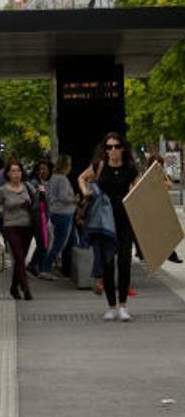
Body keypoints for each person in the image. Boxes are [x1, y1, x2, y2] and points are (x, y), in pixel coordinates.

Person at [78, 132, 139, 321]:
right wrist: (86, 191)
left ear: (123, 148)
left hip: (124, 218)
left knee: (124, 262)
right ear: (105, 149)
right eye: (109, 146)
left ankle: (123, 306)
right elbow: (81, 178)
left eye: (116, 146)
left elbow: (139, 187)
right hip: (103, 219)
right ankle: (111, 306)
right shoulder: (99, 165)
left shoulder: (130, 168)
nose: (113, 150)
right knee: (107, 262)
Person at [0, 159, 35, 300]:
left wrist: (41, 193)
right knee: (19, 258)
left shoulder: (28, 187)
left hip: (27, 227)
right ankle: (26, 289)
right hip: (10, 227)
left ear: (22, 173)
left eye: (18, 171)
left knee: (22, 259)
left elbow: (37, 204)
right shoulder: (2, 190)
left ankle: (13, 287)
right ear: (8, 174)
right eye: (13, 171)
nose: (16, 174)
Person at [42, 155, 78, 279]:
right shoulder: (62, 179)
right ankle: (45, 269)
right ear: (66, 166)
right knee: (59, 244)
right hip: (64, 213)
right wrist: (74, 199)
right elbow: (63, 197)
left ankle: (74, 268)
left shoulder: (53, 177)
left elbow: (49, 196)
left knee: (74, 240)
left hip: (57, 213)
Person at [146, 154, 182, 263]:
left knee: (166, 232)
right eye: (156, 164)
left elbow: (169, 185)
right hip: (151, 208)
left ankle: (171, 254)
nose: (159, 166)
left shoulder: (162, 175)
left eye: (160, 164)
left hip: (162, 208)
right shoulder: (147, 176)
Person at [26, 159, 52, 278]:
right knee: (43, 243)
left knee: (43, 243)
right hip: (37, 217)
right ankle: (34, 265)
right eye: (40, 169)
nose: (43, 171)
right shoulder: (34, 183)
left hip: (44, 216)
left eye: (45, 169)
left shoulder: (45, 182)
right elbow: (33, 200)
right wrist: (39, 192)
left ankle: (38, 266)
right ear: (36, 171)